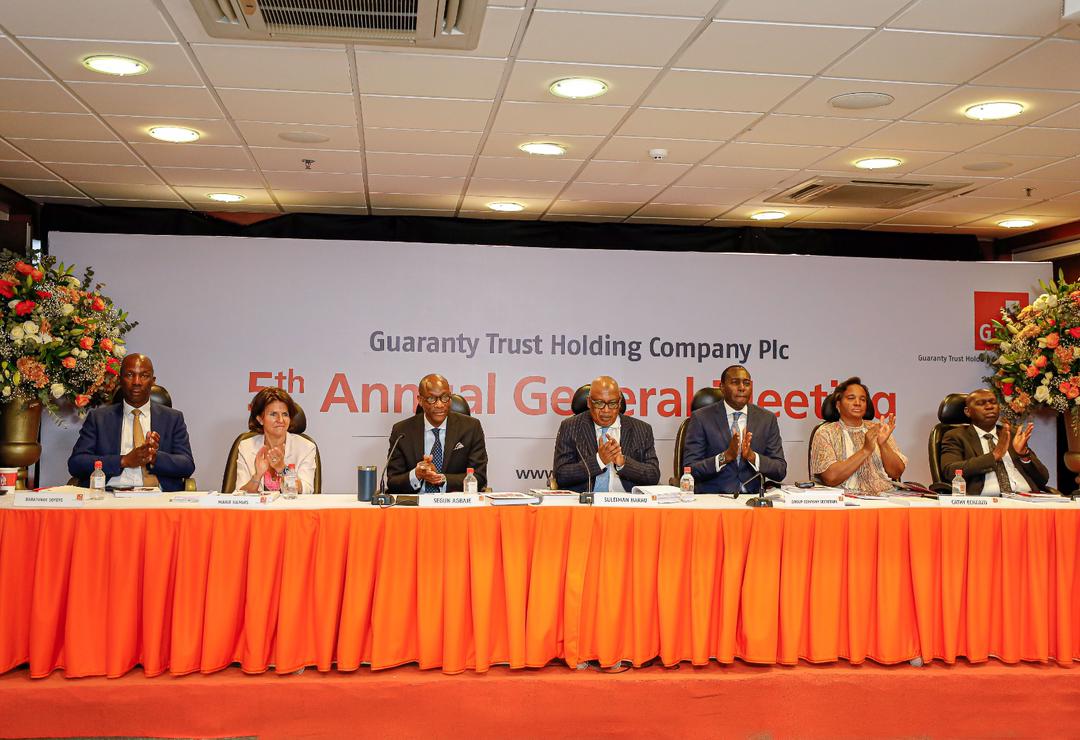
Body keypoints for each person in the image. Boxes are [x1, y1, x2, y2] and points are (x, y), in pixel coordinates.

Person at [68, 353, 195, 492]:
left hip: (158, 495)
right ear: (120, 380)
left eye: (144, 376)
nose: (136, 382)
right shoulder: (98, 418)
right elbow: (76, 463)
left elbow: (187, 465)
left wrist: (154, 457)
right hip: (109, 495)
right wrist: (123, 461)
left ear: (153, 381)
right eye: (129, 375)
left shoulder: (172, 418)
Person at [681, 365, 786, 493]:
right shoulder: (701, 418)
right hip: (714, 497)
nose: (742, 388)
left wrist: (752, 457)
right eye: (735, 382)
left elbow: (780, 470)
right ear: (722, 387)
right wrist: (725, 457)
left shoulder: (767, 419)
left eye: (746, 383)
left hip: (753, 497)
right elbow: (690, 469)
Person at [552, 375, 661, 493]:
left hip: (628, 500)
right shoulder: (570, 427)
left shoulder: (642, 429)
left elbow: (653, 475)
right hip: (586, 501)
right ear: (589, 402)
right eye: (599, 403)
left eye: (612, 403)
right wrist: (599, 460)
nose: (606, 410)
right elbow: (561, 475)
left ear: (619, 402)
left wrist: (623, 463)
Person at [385, 373, 488, 494]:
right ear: (420, 400)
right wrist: (416, 474)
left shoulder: (471, 428)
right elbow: (393, 482)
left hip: (454, 502)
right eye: (431, 399)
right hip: (416, 503)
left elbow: (479, 477)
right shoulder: (402, 431)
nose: (439, 405)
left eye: (445, 397)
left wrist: (441, 478)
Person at [939, 388, 1048, 495]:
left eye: (993, 402)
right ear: (968, 411)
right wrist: (994, 455)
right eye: (981, 403)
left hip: (1026, 498)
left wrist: (1024, 456)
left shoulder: (1010, 434)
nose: (989, 406)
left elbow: (1043, 479)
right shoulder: (957, 436)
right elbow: (950, 471)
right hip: (986, 500)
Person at [810, 376, 906, 493]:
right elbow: (830, 478)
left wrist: (883, 444)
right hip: (845, 498)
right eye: (851, 398)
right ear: (838, 405)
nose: (857, 403)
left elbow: (896, 473)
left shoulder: (878, 429)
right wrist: (865, 450)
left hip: (886, 495)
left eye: (863, 399)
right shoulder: (825, 432)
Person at [231, 387, 317, 494]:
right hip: (259, 505)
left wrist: (282, 469)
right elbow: (240, 495)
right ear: (260, 419)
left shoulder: (306, 447)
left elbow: (306, 490)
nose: (280, 420)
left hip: (291, 505)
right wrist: (257, 476)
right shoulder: (246, 446)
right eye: (273, 414)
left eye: (285, 414)